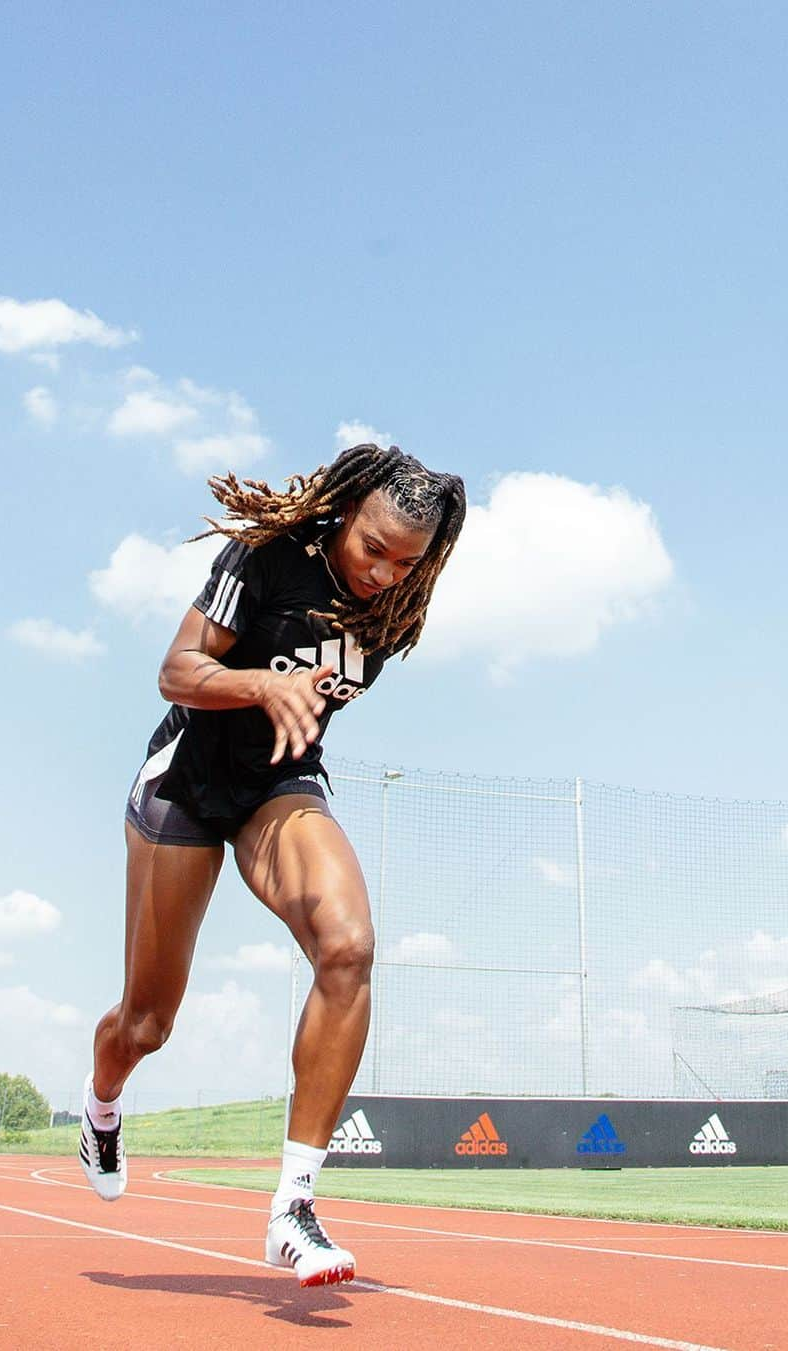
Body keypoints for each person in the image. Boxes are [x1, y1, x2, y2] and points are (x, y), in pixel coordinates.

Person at [79, 442, 466, 1287]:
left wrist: (288, 711)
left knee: (349, 945)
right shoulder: (262, 559)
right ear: (346, 510)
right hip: (186, 780)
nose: (384, 573)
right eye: (373, 548)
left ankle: (292, 1206)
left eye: (407, 561)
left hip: (277, 786)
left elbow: (359, 636)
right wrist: (261, 684)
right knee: (147, 1024)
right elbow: (175, 671)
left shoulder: (393, 613)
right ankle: (102, 1101)